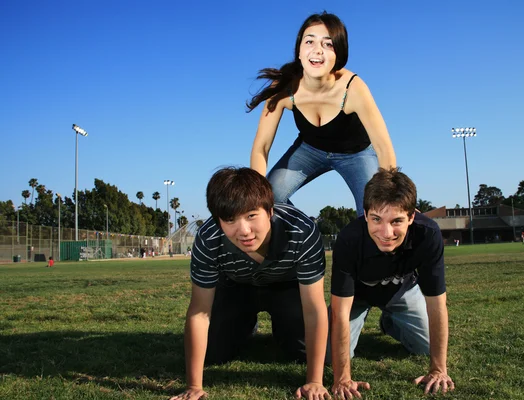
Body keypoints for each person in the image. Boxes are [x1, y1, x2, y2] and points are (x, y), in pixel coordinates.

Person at [171, 167, 330, 400]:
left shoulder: (302, 231)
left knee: (306, 351)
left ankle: (283, 327)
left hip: (286, 287)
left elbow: (315, 309)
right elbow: (199, 311)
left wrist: (315, 381)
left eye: (251, 216)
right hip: (237, 287)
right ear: (218, 220)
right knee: (213, 352)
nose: (244, 230)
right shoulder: (208, 238)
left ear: (270, 210)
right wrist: (194, 386)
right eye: (230, 220)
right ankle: (246, 325)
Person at [247, 12, 396, 215]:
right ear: (299, 50)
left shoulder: (353, 88)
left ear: (339, 55)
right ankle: (304, 230)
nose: (317, 51)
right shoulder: (284, 87)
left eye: (328, 44)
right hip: (309, 150)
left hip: (356, 154)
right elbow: (261, 147)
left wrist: (389, 195)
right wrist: (256, 192)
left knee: (376, 210)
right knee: (267, 198)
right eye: (310, 41)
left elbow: (384, 148)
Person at [329, 168, 455, 398]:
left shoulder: (427, 234)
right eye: (376, 219)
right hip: (356, 296)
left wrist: (438, 369)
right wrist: (342, 378)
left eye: (397, 220)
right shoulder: (349, 239)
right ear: (365, 214)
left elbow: (437, 304)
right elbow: (339, 312)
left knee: (425, 347)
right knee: (330, 355)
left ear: (412, 217)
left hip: (401, 289)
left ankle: (390, 323)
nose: (386, 232)